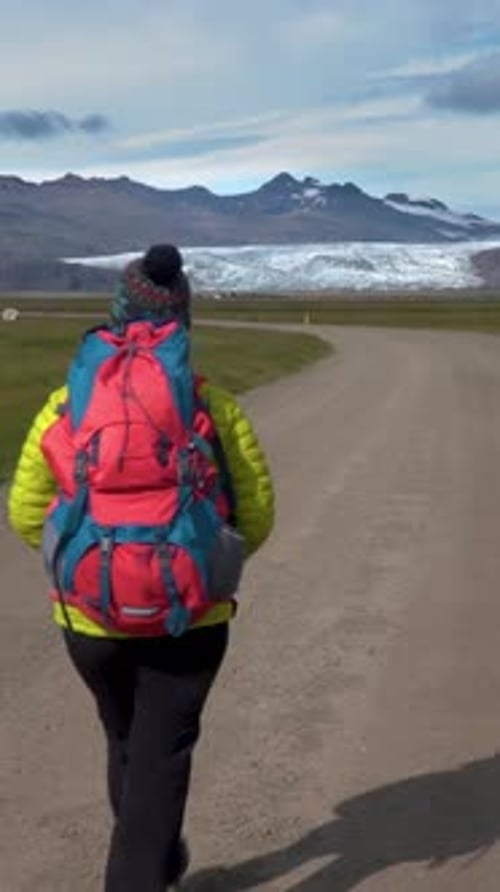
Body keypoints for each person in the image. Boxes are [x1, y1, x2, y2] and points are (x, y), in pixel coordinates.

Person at [8, 244, 275, 892]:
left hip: (90, 620)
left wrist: (90, 561)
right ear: (184, 321)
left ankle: (154, 855)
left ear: (116, 315)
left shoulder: (63, 406)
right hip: (189, 619)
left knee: (126, 739)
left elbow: (25, 512)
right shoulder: (215, 407)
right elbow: (256, 518)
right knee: (161, 757)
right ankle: (143, 869)